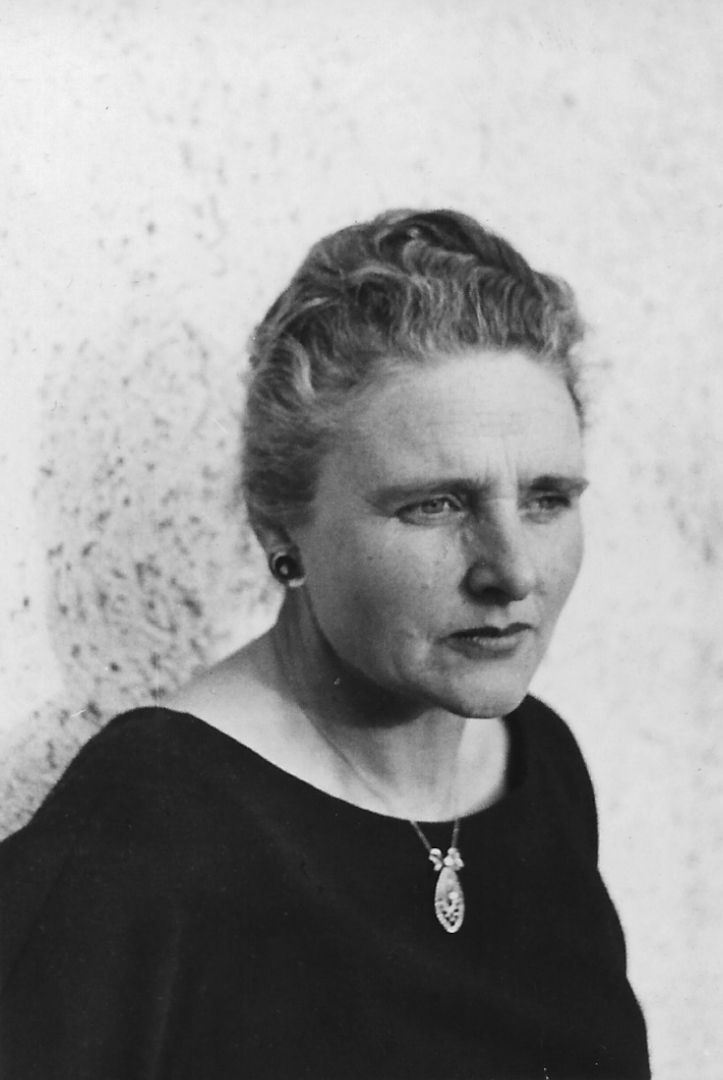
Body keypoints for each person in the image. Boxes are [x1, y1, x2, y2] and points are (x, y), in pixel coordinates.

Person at [0, 209, 650, 1079]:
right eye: (435, 505)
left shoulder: (542, 765)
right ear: (280, 521)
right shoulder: (148, 821)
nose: (513, 570)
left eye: (546, 499)